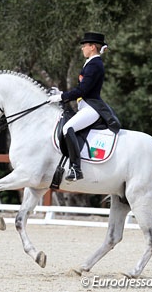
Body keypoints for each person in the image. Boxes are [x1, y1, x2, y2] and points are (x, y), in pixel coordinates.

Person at [48, 32, 120, 181]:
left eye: (84, 46)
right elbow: (81, 89)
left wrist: (61, 97)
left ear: (92, 47)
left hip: (92, 108)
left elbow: (83, 90)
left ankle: (76, 169)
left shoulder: (95, 64)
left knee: (68, 129)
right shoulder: (91, 63)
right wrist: (62, 93)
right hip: (85, 105)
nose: (82, 49)